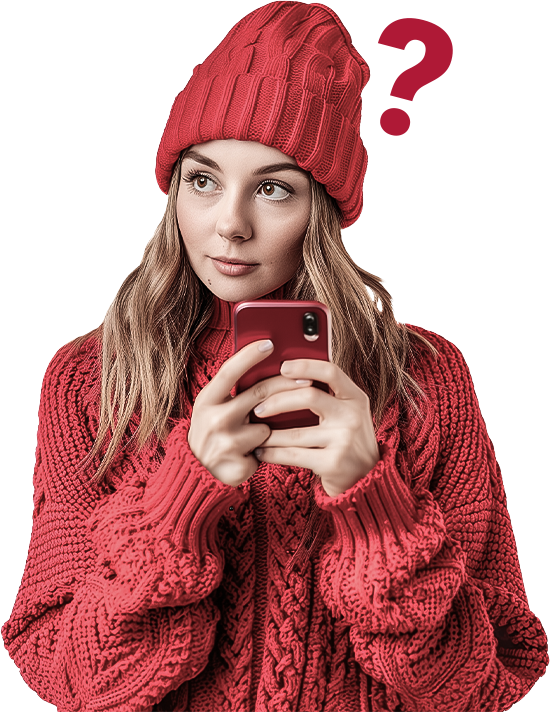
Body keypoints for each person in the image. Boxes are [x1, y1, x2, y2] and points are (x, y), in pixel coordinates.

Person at [2, 2, 547, 711]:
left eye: (272, 188)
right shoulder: (90, 381)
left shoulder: (425, 379)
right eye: (202, 180)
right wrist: (180, 502)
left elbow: (486, 684)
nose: (229, 223)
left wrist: (374, 501)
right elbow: (67, 678)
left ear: (321, 207)